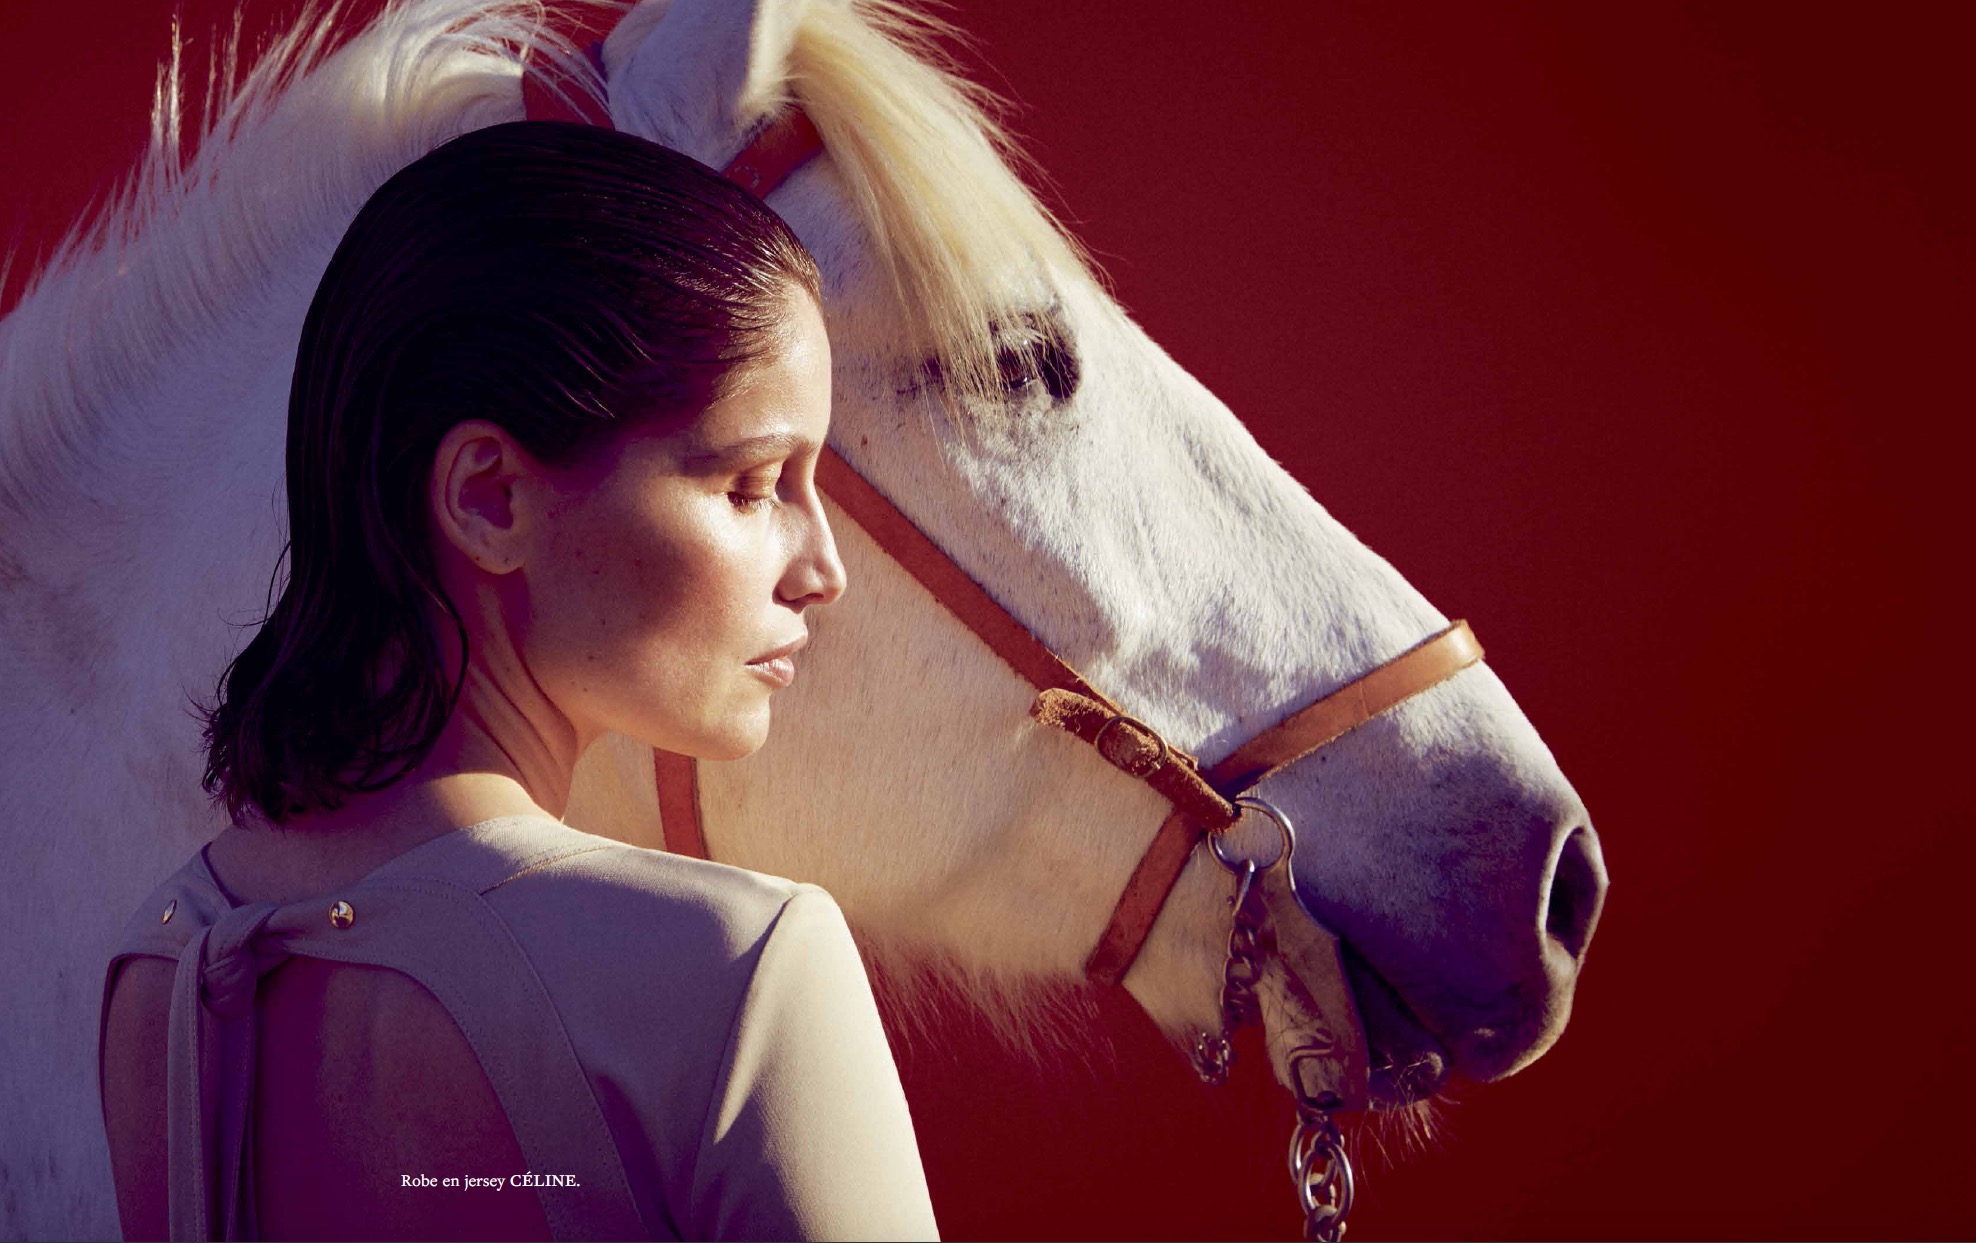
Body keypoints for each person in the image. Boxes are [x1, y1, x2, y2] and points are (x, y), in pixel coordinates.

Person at [97, 120, 938, 1241]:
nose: (822, 569)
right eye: (751, 483)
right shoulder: (737, 969)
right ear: (490, 497)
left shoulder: (160, 961)